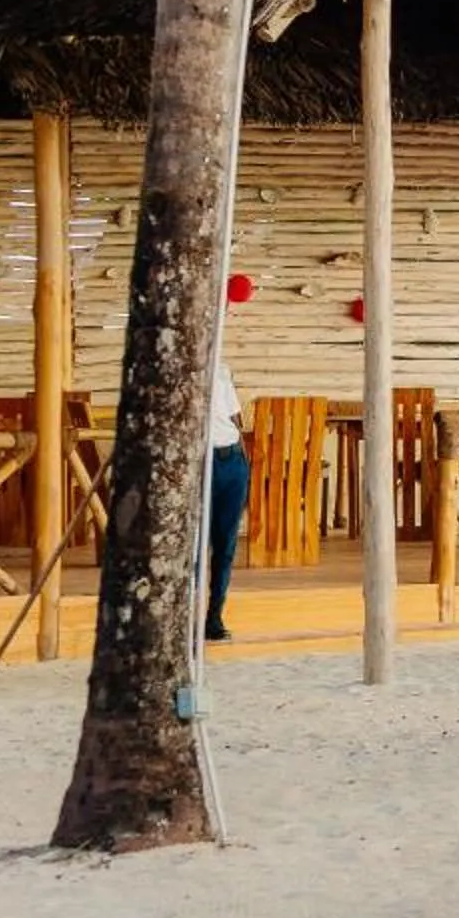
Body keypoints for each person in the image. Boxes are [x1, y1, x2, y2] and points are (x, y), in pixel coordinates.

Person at [203, 270, 255, 642]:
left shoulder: (222, 369)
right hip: (199, 462)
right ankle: (186, 616)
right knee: (194, 543)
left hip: (231, 459)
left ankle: (214, 616)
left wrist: (243, 456)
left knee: (226, 543)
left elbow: (235, 417)